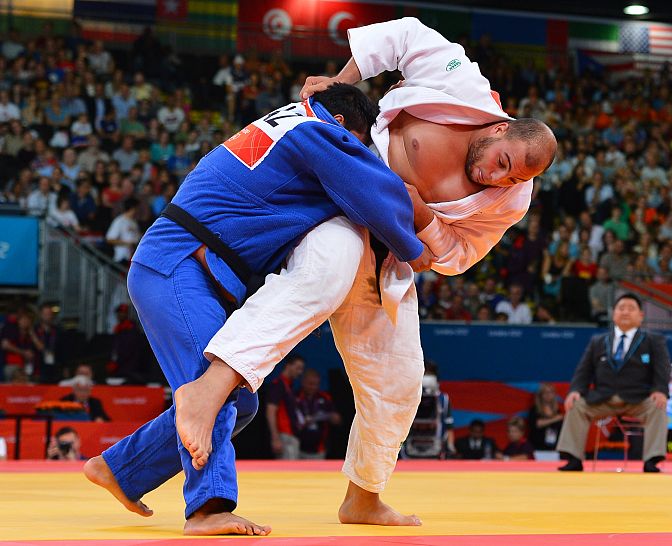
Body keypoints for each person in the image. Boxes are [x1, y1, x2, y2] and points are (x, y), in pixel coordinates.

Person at [174, 17, 555, 526]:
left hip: (391, 250)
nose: (498, 176)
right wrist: (345, 81)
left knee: (400, 381)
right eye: (504, 160)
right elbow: (403, 36)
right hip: (336, 202)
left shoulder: (511, 198)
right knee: (325, 274)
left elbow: (459, 255)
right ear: (500, 126)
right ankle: (211, 386)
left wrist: (422, 217)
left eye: (514, 175)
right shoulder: (463, 85)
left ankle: (363, 496)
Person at [83, 84, 429, 537]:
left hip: (183, 267)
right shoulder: (316, 130)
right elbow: (372, 187)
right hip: (178, 265)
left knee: (241, 400)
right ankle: (208, 509)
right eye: (359, 144)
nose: (358, 153)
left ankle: (122, 471)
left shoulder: (288, 126)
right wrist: (413, 243)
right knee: (215, 391)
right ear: (345, 125)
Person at [556, 293, 671, 473]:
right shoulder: (598, 341)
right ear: (613, 314)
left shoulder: (653, 340)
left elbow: (662, 370)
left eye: (631, 308)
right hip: (603, 398)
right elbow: (583, 370)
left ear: (641, 315)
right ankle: (573, 458)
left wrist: (660, 391)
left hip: (638, 399)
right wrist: (575, 390)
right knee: (576, 405)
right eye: (621, 308)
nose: (625, 312)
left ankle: (652, 460)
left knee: (658, 407)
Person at [266, 355, 304, 460]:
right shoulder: (278, 385)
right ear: (288, 366)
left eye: (301, 369)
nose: (300, 372)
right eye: (298, 368)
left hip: (291, 436)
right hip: (284, 436)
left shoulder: (289, 386)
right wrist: (275, 438)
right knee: (290, 474)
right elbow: (270, 411)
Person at [296, 368, 340, 459]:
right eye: (310, 384)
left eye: (316, 384)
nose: (313, 387)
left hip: (319, 449)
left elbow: (337, 419)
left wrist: (331, 417)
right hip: (297, 448)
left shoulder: (325, 397)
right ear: (303, 382)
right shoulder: (294, 396)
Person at [526, 383, 563, 452]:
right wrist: (555, 419)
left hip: (553, 447)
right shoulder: (535, 409)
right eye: (546, 392)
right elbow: (537, 423)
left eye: (551, 392)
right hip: (537, 446)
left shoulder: (557, 411)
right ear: (541, 395)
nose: (548, 395)